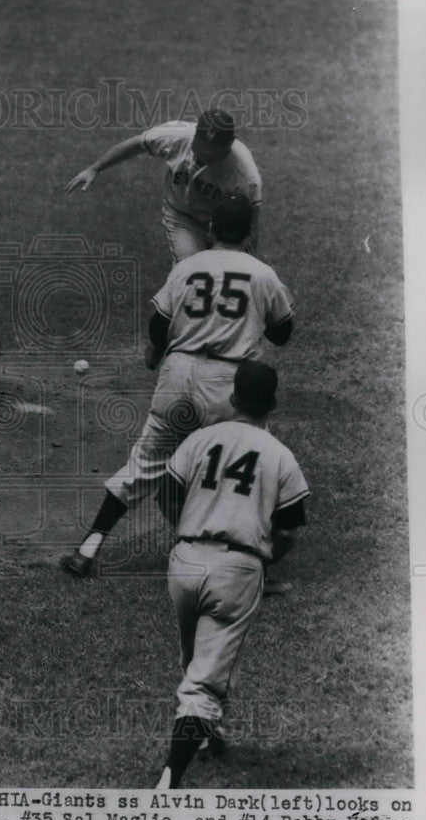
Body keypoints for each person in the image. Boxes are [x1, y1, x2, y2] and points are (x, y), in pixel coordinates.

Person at [59, 194, 293, 579]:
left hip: (178, 376)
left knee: (145, 463)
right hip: (228, 384)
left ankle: (87, 550)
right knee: (239, 467)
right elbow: (283, 333)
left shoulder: (187, 267)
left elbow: (157, 326)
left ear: (211, 228)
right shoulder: (262, 273)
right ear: (249, 231)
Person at [153, 360, 309, 788]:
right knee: (204, 680)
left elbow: (165, 494)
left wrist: (188, 528)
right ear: (272, 404)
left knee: (196, 655)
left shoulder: (201, 438)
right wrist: (265, 559)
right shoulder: (280, 455)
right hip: (236, 569)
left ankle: (209, 736)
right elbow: (289, 530)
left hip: (184, 563)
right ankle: (170, 779)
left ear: (234, 397)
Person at [65, 109, 262, 263]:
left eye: (213, 152)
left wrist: (249, 261)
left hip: (222, 224)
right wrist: (95, 168)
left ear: (230, 145)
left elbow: (251, 223)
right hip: (181, 216)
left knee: (225, 273)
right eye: (202, 148)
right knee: (190, 270)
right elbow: (136, 144)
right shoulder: (175, 135)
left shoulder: (245, 174)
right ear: (194, 136)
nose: (205, 156)